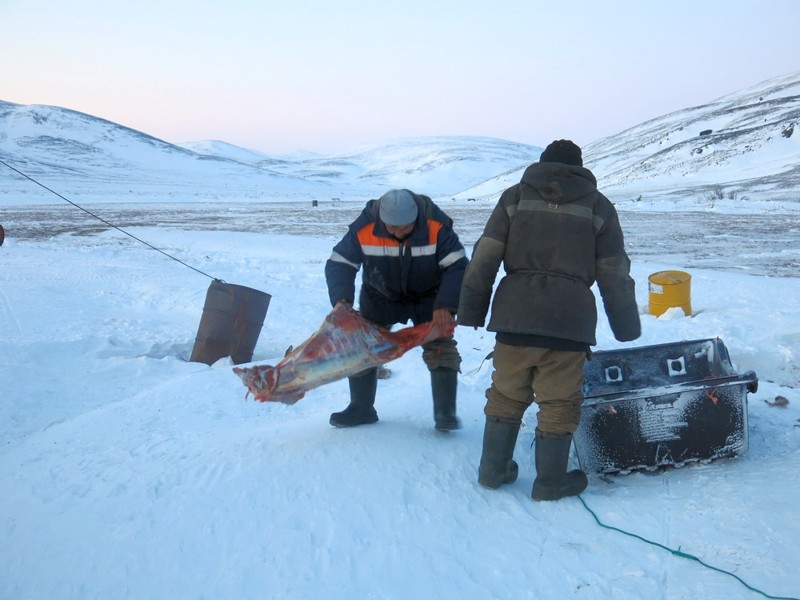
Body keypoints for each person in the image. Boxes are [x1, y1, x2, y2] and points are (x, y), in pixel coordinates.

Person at [457, 140, 641, 501]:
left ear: (541, 165)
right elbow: (614, 271)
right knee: (558, 402)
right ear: (580, 167)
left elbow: (485, 256)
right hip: (568, 322)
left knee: (506, 395)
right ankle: (550, 481)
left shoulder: (514, 197)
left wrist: (472, 309)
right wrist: (626, 327)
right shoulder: (599, 206)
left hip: (514, 316)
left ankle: (493, 470)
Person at [325, 189, 468, 431]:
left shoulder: (437, 227)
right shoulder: (364, 228)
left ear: (416, 219)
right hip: (380, 297)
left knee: (440, 346)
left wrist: (446, 305)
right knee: (363, 346)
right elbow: (340, 263)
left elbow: (458, 267)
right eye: (391, 227)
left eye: (405, 227)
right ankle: (361, 408)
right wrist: (342, 301)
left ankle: (445, 414)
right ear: (382, 219)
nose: (398, 232)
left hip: (430, 298)